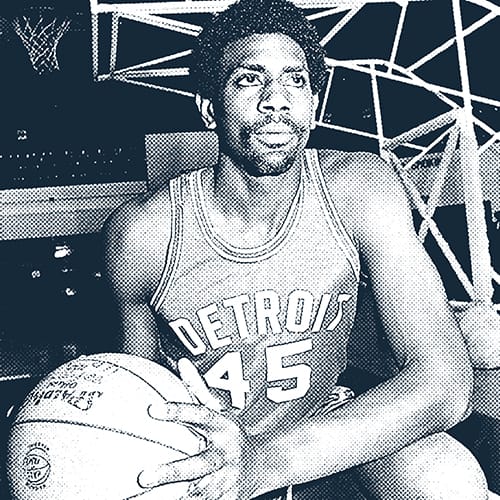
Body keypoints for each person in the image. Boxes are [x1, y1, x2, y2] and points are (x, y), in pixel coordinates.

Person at [103, 0, 488, 498]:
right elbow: (137, 399)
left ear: (314, 105)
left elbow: (446, 382)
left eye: (295, 80)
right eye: (249, 79)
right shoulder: (144, 232)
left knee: (447, 478)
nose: (276, 100)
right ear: (209, 108)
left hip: (325, 430)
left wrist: (260, 463)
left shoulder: (360, 189)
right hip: (209, 448)